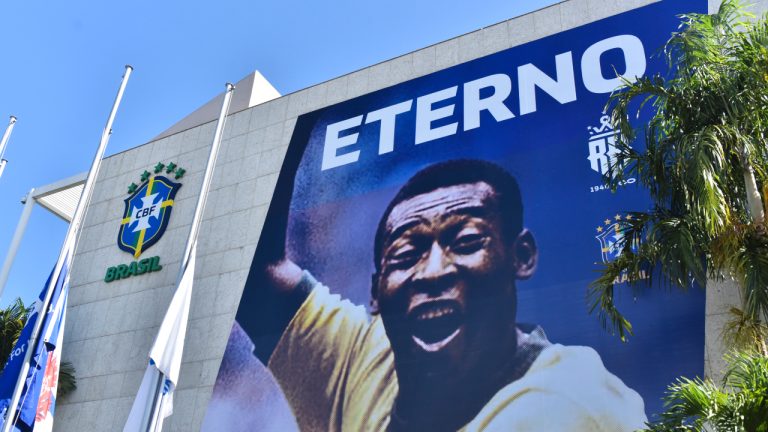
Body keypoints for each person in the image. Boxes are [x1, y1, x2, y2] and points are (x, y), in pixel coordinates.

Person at [238, 159, 647, 431]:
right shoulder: (368, 357)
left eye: (466, 242)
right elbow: (253, 274)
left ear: (521, 256)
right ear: (376, 292)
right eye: (406, 256)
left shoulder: (567, 402)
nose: (433, 272)